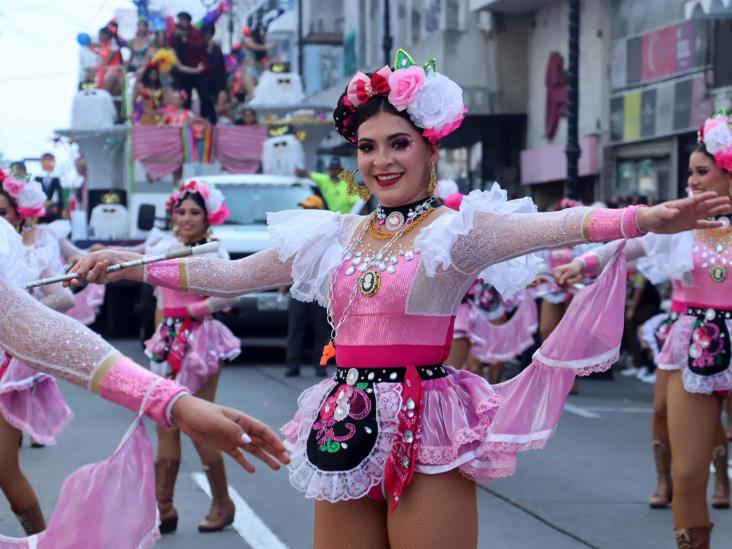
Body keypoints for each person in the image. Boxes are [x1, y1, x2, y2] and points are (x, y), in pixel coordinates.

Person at [69, 50, 729, 548]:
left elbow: (558, 227)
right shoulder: (331, 232)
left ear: (429, 147)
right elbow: (233, 275)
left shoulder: (458, 232)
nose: (381, 160)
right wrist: (128, 265)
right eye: (367, 147)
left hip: (428, 427)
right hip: (342, 420)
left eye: (398, 143)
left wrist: (648, 217)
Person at [555, 112, 732, 547]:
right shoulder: (678, 221)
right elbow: (633, 243)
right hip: (693, 344)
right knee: (689, 472)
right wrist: (583, 262)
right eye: (689, 172)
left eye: (702, 171)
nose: (691, 181)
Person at [147, 181, 241, 533]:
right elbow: (160, 300)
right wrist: (160, 339)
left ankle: (223, 503)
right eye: (181, 211)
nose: (186, 218)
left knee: (199, 423)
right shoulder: (163, 248)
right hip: (168, 340)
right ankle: (164, 509)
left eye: (195, 213)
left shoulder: (212, 252)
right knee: (164, 421)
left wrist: (198, 310)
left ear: (208, 217)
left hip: (201, 340)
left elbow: (232, 292)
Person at [0, 171, 74, 533]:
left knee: (3, 467)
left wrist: (26, 314)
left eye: (2, 212)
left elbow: (64, 296)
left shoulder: (29, 252)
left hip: (7, 363)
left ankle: (42, 540)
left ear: (19, 212)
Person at [284, 191, 331, 378]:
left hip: (319, 289)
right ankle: (292, 365)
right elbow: (289, 260)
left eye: (309, 209)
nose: (304, 212)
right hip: (299, 289)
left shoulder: (328, 236)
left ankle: (320, 365)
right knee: (295, 329)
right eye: (303, 209)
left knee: (321, 330)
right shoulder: (298, 235)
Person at [168, 11, 216, 124]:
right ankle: (185, 120)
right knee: (185, 97)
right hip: (183, 72)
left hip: (198, 70)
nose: (182, 22)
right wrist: (177, 36)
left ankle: (208, 119)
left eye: (184, 20)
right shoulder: (174, 33)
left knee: (205, 95)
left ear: (188, 22)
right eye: (180, 20)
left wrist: (186, 38)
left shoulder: (196, 33)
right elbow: (171, 47)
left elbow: (200, 46)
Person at [34, 153, 63, 223]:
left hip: (53, 214)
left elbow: (61, 197)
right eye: (45, 160)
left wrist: (56, 207)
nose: (47, 163)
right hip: (39, 214)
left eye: (50, 160)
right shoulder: (36, 178)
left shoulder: (57, 179)